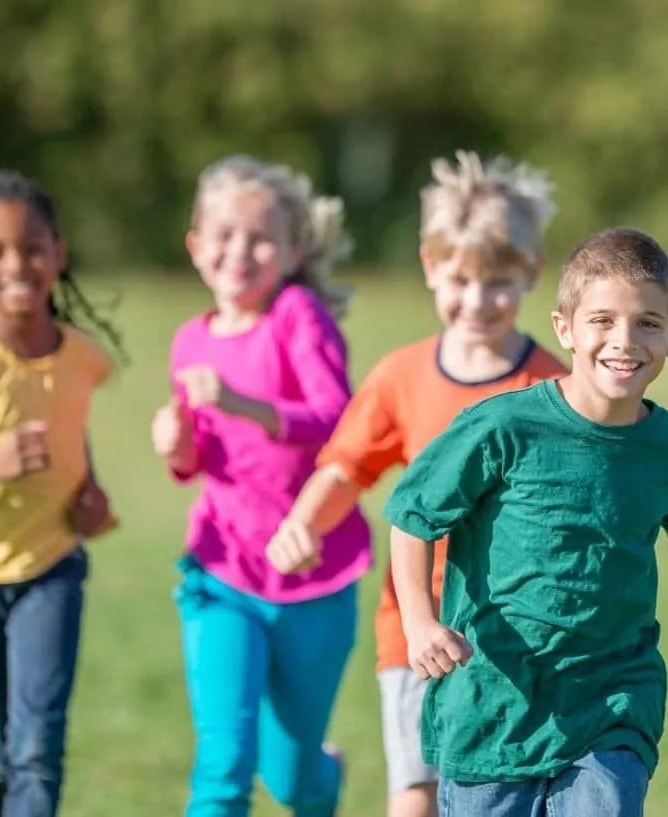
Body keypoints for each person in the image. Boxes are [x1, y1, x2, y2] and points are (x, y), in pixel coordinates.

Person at [387, 227, 668, 816]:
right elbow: (412, 516)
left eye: (647, 323)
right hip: (494, 705)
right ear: (565, 329)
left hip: (613, 702)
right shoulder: (502, 429)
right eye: (602, 320)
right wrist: (420, 622)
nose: (624, 341)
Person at [266, 150, 566, 817]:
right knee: (415, 793)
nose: (478, 300)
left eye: (498, 283)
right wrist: (301, 524)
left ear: (532, 274)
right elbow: (347, 465)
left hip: (519, 636)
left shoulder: (552, 387)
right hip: (415, 626)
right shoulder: (400, 376)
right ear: (431, 267)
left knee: (507, 793)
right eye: (460, 279)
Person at [150, 155, 369, 817]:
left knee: (294, 781)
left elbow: (341, 420)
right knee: (222, 765)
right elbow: (201, 462)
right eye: (222, 233)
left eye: (259, 237)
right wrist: (176, 447)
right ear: (195, 246)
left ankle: (322, 779)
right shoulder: (189, 341)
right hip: (221, 573)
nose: (238, 251)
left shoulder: (297, 315)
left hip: (315, 575)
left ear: (293, 250)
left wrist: (245, 404)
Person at [0, 153, 122, 817]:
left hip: (51, 568)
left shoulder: (79, 355)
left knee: (36, 745)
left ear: (58, 253)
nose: (18, 266)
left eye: (33, 248)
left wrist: (90, 497)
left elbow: (69, 433)